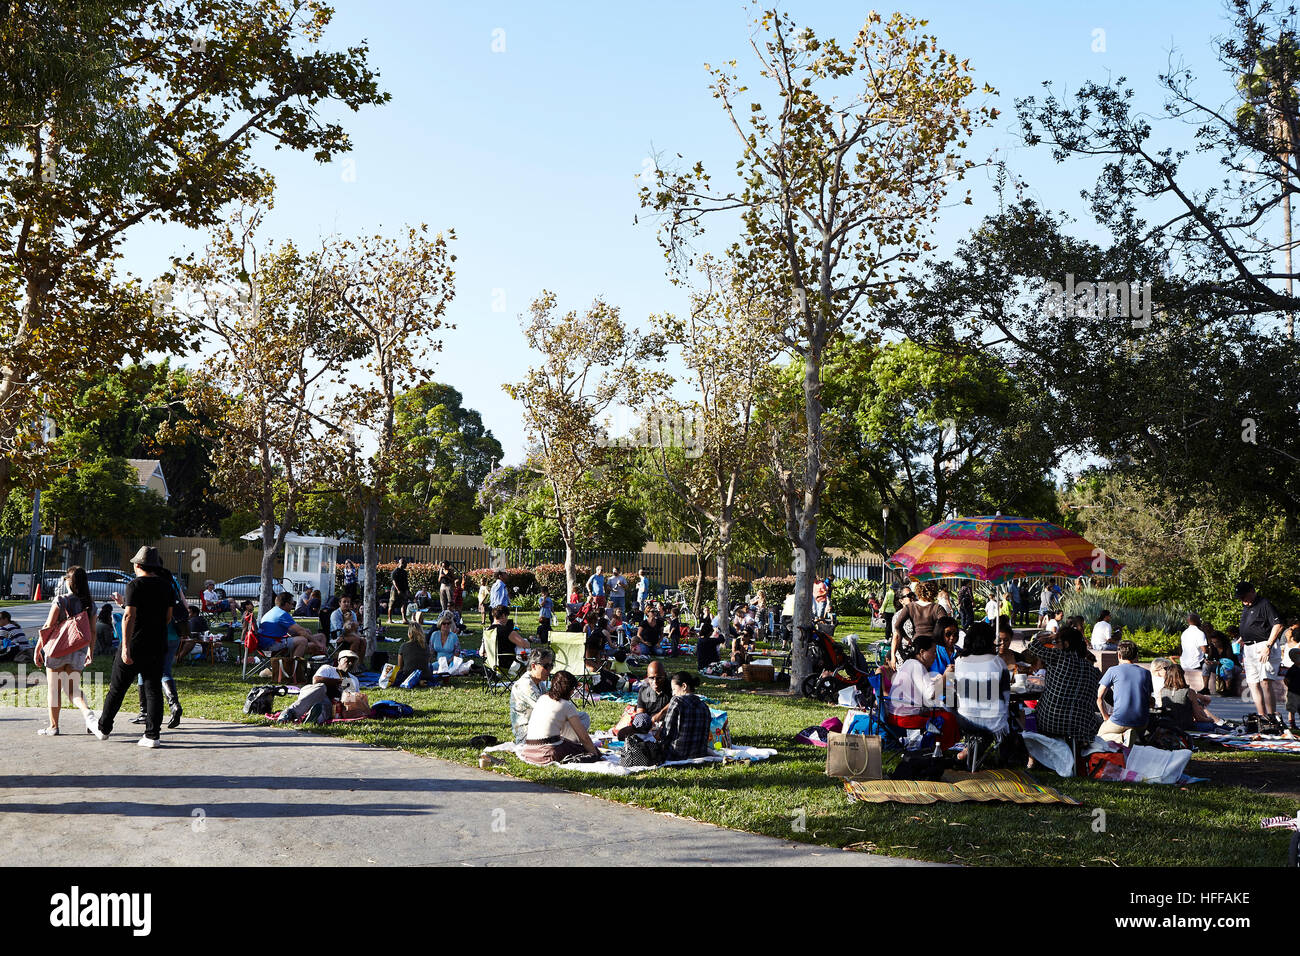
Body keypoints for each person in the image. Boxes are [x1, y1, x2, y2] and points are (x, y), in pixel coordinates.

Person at [93, 547, 173, 747]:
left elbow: (129, 616)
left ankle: (104, 728)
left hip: (135, 643)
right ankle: (152, 735)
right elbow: (168, 617)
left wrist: (126, 647)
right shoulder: (166, 586)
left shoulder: (135, 585)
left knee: (117, 688)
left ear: (137, 565)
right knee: (153, 689)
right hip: (157, 643)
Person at [33, 566, 98, 737]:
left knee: (54, 690)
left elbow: (48, 626)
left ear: (69, 581)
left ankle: (53, 727)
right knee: (73, 689)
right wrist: (90, 651)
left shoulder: (61, 600)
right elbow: (93, 631)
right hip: (79, 651)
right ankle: (88, 716)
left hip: (57, 650)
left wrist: (38, 648)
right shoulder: (90, 604)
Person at [1025, 625, 1102, 745]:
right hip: (1082, 726)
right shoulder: (1093, 670)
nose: (1054, 645)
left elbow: (1033, 645)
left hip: (1050, 721)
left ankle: (1033, 757)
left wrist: (1050, 637)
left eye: (1056, 642)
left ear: (1065, 645)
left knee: (1028, 715)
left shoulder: (1059, 657)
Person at [886, 635, 959, 750]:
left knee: (942, 712)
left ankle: (941, 747)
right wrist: (946, 676)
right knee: (948, 717)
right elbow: (931, 694)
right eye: (933, 652)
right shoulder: (917, 666)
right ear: (921, 652)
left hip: (896, 714)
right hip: (905, 717)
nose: (935, 656)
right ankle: (941, 749)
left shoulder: (909, 663)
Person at [520, 670, 600, 764]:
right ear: (569, 689)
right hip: (548, 752)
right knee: (587, 751)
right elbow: (584, 737)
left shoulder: (542, 698)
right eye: (573, 688)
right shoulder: (567, 705)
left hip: (529, 750)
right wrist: (595, 754)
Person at [953, 621, 1011, 743]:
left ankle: (971, 752)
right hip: (994, 722)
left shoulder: (958, 661)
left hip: (965, 720)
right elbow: (1006, 696)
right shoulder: (998, 662)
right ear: (990, 640)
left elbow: (955, 690)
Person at [1235, 580, 1284, 722]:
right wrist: (1242, 638)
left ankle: (1272, 717)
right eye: (1240, 598)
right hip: (1249, 648)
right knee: (1252, 683)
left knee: (1265, 682)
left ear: (1252, 591)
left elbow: (1278, 625)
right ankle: (1262, 716)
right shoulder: (1246, 607)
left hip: (1263, 646)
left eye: (1244, 596)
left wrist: (1268, 646)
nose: (1243, 600)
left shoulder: (1264, 604)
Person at [276, 650, 361, 723]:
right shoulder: (328, 668)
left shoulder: (353, 679)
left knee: (324, 708)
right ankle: (290, 712)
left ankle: (312, 718)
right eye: (347, 660)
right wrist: (339, 682)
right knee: (321, 687)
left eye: (353, 661)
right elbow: (316, 681)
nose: (350, 663)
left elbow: (353, 700)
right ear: (339, 660)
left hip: (330, 703)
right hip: (313, 695)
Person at [1097, 640, 1153, 745]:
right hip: (1142, 722)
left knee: (1099, 738)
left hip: (1120, 719)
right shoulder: (1146, 673)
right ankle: (1132, 736)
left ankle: (1122, 737)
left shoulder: (1112, 671)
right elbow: (1148, 698)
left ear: (1118, 655)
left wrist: (1105, 717)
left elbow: (1099, 697)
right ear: (1136, 656)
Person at [1155, 660, 1224, 732]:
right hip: (1186, 726)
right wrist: (1211, 720)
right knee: (1212, 726)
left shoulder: (1162, 691)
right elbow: (1199, 718)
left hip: (1169, 726)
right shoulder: (1189, 692)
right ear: (1182, 675)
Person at [659, 671, 713, 761]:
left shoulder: (677, 701)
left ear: (684, 686)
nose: (673, 693)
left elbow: (666, 733)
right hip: (699, 753)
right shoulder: (704, 706)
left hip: (677, 755)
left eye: (674, 689)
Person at [891, 581, 944, 667]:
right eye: (909, 595)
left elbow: (897, 626)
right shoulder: (937, 608)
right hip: (929, 646)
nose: (912, 597)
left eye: (912, 594)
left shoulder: (910, 607)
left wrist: (907, 638)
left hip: (916, 646)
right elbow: (945, 624)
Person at [510, 648, 555, 744]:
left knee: (582, 718)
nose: (549, 670)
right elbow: (546, 709)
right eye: (546, 666)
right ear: (534, 666)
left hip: (539, 727)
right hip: (527, 735)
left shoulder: (538, 683)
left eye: (551, 665)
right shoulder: (526, 685)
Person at [1202, 630, 1238, 696]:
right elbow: (1210, 658)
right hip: (1219, 666)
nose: (1215, 644)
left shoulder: (1227, 647)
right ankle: (1205, 688)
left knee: (1225, 668)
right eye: (1213, 642)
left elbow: (1229, 661)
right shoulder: (1213, 647)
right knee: (1205, 665)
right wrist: (1207, 661)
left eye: (1216, 642)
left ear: (1221, 640)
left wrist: (1216, 663)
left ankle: (1228, 689)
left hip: (1232, 666)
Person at [1179, 612, 1207, 678]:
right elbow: (1205, 650)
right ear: (1196, 621)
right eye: (1199, 620)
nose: (1201, 621)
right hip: (1196, 664)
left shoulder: (1184, 633)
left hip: (1184, 663)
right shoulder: (1200, 633)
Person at [387, 557, 411, 626]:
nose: (406, 565)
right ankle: (389, 619)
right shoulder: (395, 571)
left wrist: (407, 590)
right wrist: (398, 590)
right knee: (392, 604)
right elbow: (394, 581)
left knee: (404, 604)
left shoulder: (404, 572)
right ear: (401, 563)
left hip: (403, 590)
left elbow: (406, 582)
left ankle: (404, 618)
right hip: (395, 590)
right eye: (405, 564)